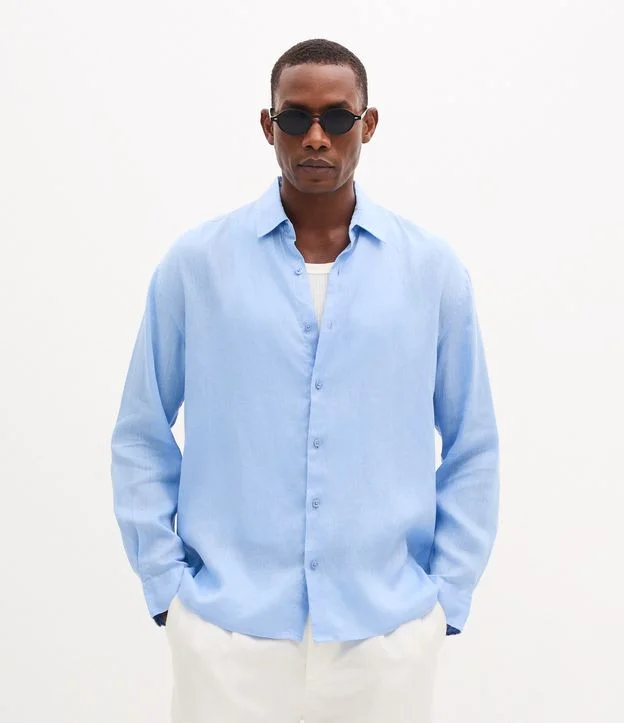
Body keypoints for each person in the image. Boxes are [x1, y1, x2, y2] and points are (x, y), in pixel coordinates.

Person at [110, 37, 500, 723]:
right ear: (269, 126)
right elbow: (142, 433)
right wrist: (170, 591)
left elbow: (473, 444)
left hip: (385, 642)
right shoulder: (195, 267)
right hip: (228, 639)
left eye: (337, 118)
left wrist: (444, 597)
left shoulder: (432, 272)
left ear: (367, 124)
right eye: (295, 118)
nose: (315, 137)